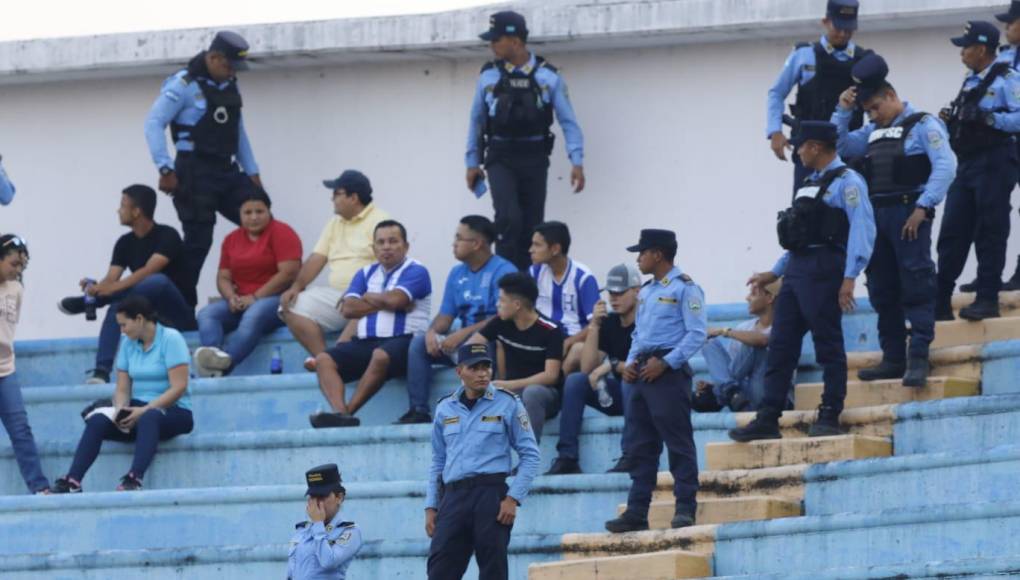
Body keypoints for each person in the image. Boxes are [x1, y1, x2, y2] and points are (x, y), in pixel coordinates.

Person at [729, 121, 875, 443]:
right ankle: (768, 418)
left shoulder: (848, 182)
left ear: (817, 147)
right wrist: (775, 272)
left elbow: (862, 230)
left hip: (825, 268)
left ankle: (830, 412)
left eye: (801, 146)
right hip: (798, 269)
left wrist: (850, 276)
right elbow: (798, 237)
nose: (797, 152)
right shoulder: (809, 182)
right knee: (781, 346)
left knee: (827, 343)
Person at [832, 53, 957, 387]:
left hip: (907, 214)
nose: (872, 115)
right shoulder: (873, 130)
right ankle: (893, 358)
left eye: (875, 108)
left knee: (916, 285)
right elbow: (842, 145)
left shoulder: (923, 124)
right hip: (877, 216)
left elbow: (946, 166)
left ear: (890, 96)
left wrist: (924, 206)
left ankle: (918, 356)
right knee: (883, 289)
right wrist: (844, 111)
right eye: (868, 111)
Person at [603, 230, 707, 534]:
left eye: (643, 252)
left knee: (678, 443)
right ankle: (637, 511)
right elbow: (640, 334)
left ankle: (685, 507)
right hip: (642, 370)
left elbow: (697, 334)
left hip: (667, 372)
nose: (639, 259)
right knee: (640, 445)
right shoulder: (647, 291)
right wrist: (632, 362)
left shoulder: (686, 288)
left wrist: (666, 363)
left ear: (658, 254)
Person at [465, 10, 586, 270]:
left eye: (496, 40)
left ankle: (529, 282)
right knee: (508, 219)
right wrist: (472, 162)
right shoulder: (488, 76)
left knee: (533, 224)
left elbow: (568, 121)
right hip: (500, 155)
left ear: (516, 41)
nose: (492, 45)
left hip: (534, 156)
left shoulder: (548, 77)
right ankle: (508, 282)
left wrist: (577, 161)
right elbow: (476, 121)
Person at [144, 31, 262, 294]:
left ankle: (260, 291)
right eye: (229, 65)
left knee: (261, 219)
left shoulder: (230, 83)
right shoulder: (182, 85)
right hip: (194, 171)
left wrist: (252, 171)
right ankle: (181, 305)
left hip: (226, 170)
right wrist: (165, 168)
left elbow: (237, 131)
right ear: (214, 57)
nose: (232, 72)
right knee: (199, 241)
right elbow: (153, 124)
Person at [52, 296, 194, 493]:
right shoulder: (128, 343)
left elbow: (179, 387)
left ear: (139, 319)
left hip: (174, 412)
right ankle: (73, 481)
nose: (122, 331)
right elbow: (122, 389)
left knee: (149, 417)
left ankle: (134, 478)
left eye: (124, 325)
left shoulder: (171, 338)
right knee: (99, 420)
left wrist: (143, 410)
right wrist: (119, 411)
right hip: (138, 410)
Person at [424, 343, 541, 580]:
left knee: (492, 570)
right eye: (474, 368)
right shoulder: (445, 408)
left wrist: (513, 498)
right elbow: (438, 460)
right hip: (453, 496)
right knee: (440, 570)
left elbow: (531, 455)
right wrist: (431, 506)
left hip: (491, 495)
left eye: (486, 367)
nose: (483, 373)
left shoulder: (508, 402)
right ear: (460, 372)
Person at [58, 185, 195, 384]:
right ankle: (101, 372)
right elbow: (110, 280)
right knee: (120, 305)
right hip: (148, 316)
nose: (118, 210)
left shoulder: (168, 235)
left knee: (156, 281)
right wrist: (95, 288)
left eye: (122, 205)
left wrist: (107, 291)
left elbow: (148, 271)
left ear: (137, 211)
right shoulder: (124, 242)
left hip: (177, 316)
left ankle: (93, 303)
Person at [309, 220, 431, 428]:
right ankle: (340, 412)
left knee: (380, 355)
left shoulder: (416, 270)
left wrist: (367, 297)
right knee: (323, 359)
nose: (386, 247)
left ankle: (347, 414)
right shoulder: (364, 273)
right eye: (381, 242)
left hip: (405, 341)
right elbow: (348, 309)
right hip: (366, 341)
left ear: (406, 246)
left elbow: (397, 300)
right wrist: (386, 302)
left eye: (393, 241)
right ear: (373, 248)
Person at [936, 21, 1020, 321]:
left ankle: (987, 298)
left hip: (995, 161)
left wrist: (988, 119)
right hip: (968, 162)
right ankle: (940, 301)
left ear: (981, 49)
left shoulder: (1008, 79)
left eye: (966, 47)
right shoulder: (970, 80)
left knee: (990, 229)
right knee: (953, 231)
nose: (962, 53)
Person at [400, 215, 517, 424]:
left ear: (477, 243)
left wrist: (464, 333)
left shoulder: (504, 270)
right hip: (463, 341)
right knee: (418, 344)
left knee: (484, 342)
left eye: (459, 238)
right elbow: (446, 316)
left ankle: (487, 407)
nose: (453, 243)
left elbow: (503, 317)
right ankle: (418, 410)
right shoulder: (456, 273)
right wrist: (432, 332)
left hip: (490, 339)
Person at [280, 170, 390, 370]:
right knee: (289, 307)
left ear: (353, 198)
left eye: (337, 193)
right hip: (335, 296)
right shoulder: (334, 223)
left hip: (367, 295)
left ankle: (336, 359)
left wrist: (357, 292)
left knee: (364, 306)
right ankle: (326, 360)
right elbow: (317, 258)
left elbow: (388, 266)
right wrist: (296, 286)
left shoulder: (380, 221)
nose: (332, 199)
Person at [545, 263, 641, 476]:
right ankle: (567, 457)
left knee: (629, 379)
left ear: (637, 291)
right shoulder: (610, 322)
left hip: (643, 391)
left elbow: (641, 363)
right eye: (611, 293)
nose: (614, 298)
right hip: (619, 392)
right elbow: (588, 367)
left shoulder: (648, 319)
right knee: (576, 380)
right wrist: (595, 325)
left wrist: (612, 365)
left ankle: (631, 454)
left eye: (620, 292)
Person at [193, 190, 302, 376]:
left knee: (254, 314)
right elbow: (223, 277)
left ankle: (226, 364)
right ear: (240, 214)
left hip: (277, 299)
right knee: (207, 314)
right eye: (248, 212)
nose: (254, 217)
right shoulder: (231, 239)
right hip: (242, 300)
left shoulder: (282, 232)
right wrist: (230, 297)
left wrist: (255, 297)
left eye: (259, 212)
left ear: (269, 211)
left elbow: (288, 274)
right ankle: (211, 359)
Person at [767, 0, 871, 189]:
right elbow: (776, 93)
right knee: (804, 212)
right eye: (838, 27)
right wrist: (775, 131)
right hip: (810, 152)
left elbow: (875, 105)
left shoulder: (863, 60)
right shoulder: (804, 54)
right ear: (826, 22)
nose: (842, 34)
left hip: (847, 154)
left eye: (848, 29)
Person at [468, 272, 564, 442]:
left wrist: (506, 385)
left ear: (517, 304)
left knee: (532, 393)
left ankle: (528, 459)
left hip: (545, 395)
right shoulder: (501, 322)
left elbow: (551, 376)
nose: (498, 304)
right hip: (512, 392)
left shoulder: (550, 330)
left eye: (502, 300)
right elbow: (470, 347)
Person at [0, 235, 50, 494]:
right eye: (12, 264)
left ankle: (39, 487)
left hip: (5, 370)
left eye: (21, 266)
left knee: (21, 430)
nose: (17, 270)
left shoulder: (16, 289)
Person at [693, 278, 781, 413]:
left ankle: (720, 394)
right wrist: (715, 383)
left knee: (753, 344)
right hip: (743, 399)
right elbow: (734, 371)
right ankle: (727, 391)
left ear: (769, 298)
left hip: (770, 394)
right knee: (708, 341)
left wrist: (724, 331)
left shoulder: (784, 328)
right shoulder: (744, 327)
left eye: (753, 293)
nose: (747, 298)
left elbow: (762, 340)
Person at [528, 221, 599, 373]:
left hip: (572, 340)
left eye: (537, 245)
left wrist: (568, 342)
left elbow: (595, 323)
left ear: (555, 249)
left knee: (577, 350)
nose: (531, 250)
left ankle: (556, 390)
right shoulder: (535, 272)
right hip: (542, 339)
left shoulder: (583, 277)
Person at [287, 464, 362, 580]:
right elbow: (292, 572)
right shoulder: (303, 530)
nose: (317, 503)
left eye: (322, 496)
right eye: (312, 497)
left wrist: (318, 524)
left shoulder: (349, 531)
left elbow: (328, 562)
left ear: (339, 497)